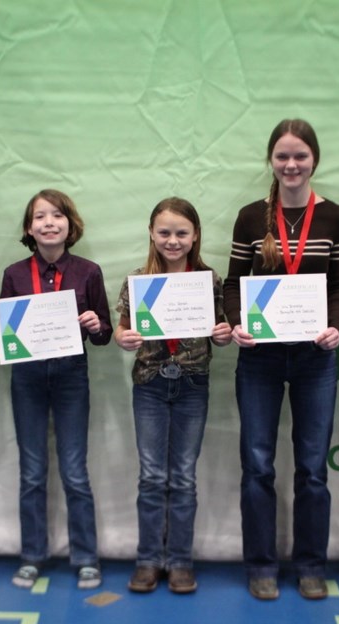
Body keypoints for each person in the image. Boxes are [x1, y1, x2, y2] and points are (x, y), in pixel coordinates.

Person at [224, 119, 339, 601]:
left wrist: (336, 324)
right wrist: (237, 323)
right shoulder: (250, 217)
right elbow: (234, 283)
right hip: (259, 359)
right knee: (257, 464)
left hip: (316, 358)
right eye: (282, 156)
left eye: (300, 156)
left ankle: (311, 565)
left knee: (313, 467)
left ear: (314, 159)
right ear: (271, 161)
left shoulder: (335, 217)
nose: (291, 165)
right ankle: (260, 565)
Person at [0, 189, 112, 591]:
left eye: (57, 215)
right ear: (29, 228)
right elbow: (7, 336)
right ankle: (32, 555)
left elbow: (104, 333)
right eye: (40, 217)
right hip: (28, 380)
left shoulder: (88, 271)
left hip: (72, 377)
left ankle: (86, 556)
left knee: (74, 470)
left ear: (71, 225)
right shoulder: (16, 275)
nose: (48, 222)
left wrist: (95, 324)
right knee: (32, 472)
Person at [114, 197, 232, 594]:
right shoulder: (136, 281)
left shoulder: (210, 280)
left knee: (182, 477)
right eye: (164, 232)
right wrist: (124, 338)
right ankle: (149, 559)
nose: (173, 240)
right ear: (151, 233)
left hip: (193, 384)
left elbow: (223, 327)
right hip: (149, 384)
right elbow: (122, 329)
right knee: (151, 477)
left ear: (195, 235)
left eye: (182, 233)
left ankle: (180, 560)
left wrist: (223, 333)